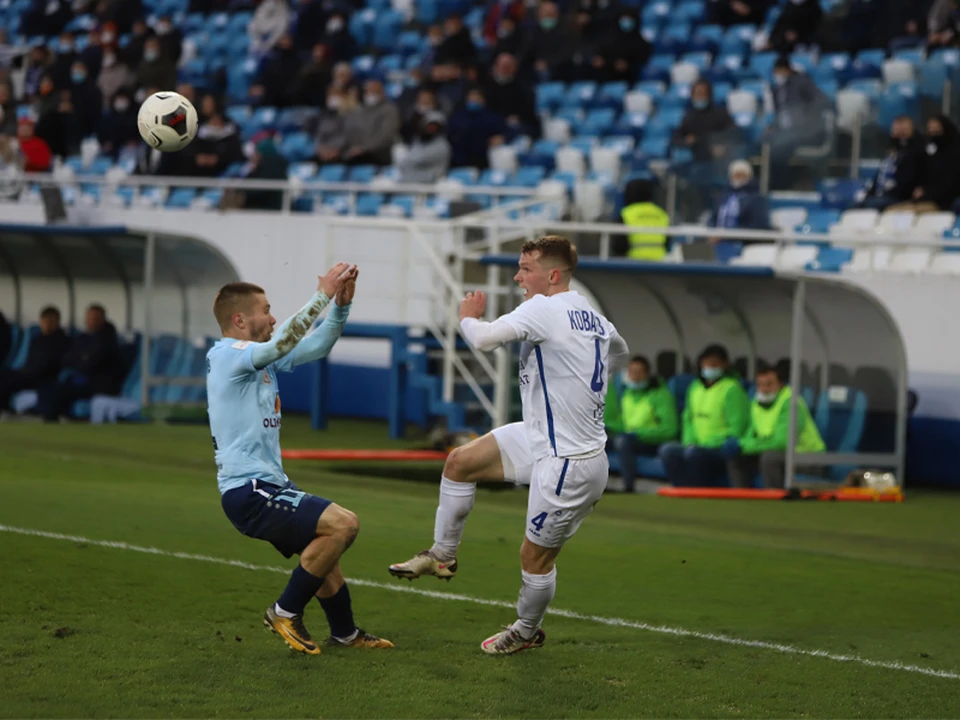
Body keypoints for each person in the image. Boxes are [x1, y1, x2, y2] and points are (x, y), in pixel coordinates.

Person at [389, 236, 630, 655]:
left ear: (552, 275)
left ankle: (525, 630)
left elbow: (483, 340)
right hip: (540, 435)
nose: (518, 276)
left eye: (525, 268)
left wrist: (467, 317)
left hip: (570, 463)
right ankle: (442, 555)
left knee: (534, 559)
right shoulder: (593, 316)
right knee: (460, 462)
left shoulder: (544, 307)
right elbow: (619, 353)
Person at [209, 265, 393, 654]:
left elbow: (316, 345)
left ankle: (344, 634)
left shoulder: (259, 360)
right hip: (249, 489)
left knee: (324, 550)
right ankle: (284, 610)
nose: (273, 317)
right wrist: (321, 295)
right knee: (344, 525)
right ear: (240, 319)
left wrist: (340, 307)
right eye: (266, 309)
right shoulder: (227, 355)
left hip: (269, 483)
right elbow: (281, 342)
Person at [659, 344, 750, 487]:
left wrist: (710, 444)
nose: (709, 367)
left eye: (714, 364)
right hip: (695, 445)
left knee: (695, 454)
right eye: (706, 363)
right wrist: (689, 442)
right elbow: (688, 419)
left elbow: (738, 427)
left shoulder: (732, 389)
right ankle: (681, 489)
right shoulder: (695, 387)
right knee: (668, 450)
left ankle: (697, 491)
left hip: (720, 449)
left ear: (724, 365)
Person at [723, 364, 824, 488]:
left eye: (769, 384)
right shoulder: (756, 403)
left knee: (769, 457)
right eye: (760, 385)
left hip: (808, 459)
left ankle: (775, 500)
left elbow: (782, 443)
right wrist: (741, 444)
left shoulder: (791, 404)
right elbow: (751, 435)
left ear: (781, 384)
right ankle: (741, 499)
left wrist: (743, 445)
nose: (764, 389)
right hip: (780, 456)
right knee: (736, 456)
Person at [605, 355, 678, 493]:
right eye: (632, 372)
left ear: (648, 374)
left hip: (651, 442)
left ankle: (628, 486)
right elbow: (625, 424)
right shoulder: (628, 395)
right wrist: (608, 427)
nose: (635, 376)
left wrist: (638, 434)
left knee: (622, 442)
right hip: (631, 438)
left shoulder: (661, 395)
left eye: (639, 372)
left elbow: (669, 430)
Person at [45, 304, 124, 422]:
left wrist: (83, 359)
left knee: (61, 390)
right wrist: (82, 358)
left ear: (103, 319)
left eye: (95, 319)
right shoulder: (83, 337)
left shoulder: (107, 340)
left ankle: (51, 421)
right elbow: (66, 359)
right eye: (90, 318)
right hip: (85, 381)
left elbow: (91, 364)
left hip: (101, 386)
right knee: (52, 387)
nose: (92, 322)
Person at [767, 57, 830, 190]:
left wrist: (806, 120)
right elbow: (780, 115)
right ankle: (763, 183)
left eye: (780, 71)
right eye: (776, 71)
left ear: (787, 70)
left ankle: (779, 186)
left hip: (806, 131)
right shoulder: (776, 89)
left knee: (781, 147)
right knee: (763, 141)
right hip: (784, 131)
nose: (778, 74)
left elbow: (822, 101)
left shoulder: (801, 82)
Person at [0, 306, 70, 416]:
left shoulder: (62, 341)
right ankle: (5, 408)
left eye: (51, 321)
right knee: (5, 377)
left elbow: (52, 364)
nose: (47, 324)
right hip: (28, 374)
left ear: (57, 321)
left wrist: (29, 373)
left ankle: (7, 410)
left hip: (45, 377)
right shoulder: (37, 339)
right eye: (45, 321)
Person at [896, 115, 960, 212]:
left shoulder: (954, 153)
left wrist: (926, 193)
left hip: (942, 203)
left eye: (936, 129)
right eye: (930, 129)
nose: (933, 132)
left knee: (902, 213)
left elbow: (950, 186)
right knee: (892, 211)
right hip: (924, 199)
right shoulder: (930, 152)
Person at [860, 116, 925, 211]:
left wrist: (887, 193)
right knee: (856, 204)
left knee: (872, 203)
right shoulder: (891, 154)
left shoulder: (915, 153)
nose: (899, 134)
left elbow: (907, 183)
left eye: (903, 131)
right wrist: (868, 194)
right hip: (881, 195)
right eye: (896, 130)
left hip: (898, 197)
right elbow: (878, 178)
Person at [674, 80, 737, 164]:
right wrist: (686, 141)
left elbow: (733, 133)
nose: (699, 97)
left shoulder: (720, 114)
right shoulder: (689, 117)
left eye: (702, 94)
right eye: (697, 94)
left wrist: (724, 145)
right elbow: (677, 138)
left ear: (709, 95)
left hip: (719, 161)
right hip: (697, 159)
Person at [708, 160, 771, 242]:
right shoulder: (723, 197)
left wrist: (727, 234)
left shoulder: (757, 199)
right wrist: (711, 232)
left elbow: (758, 225)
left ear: (750, 177)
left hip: (742, 242)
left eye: (743, 175)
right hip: (717, 241)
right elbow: (713, 218)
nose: (739, 179)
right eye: (736, 175)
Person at [342, 78, 398, 166]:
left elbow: (386, 136)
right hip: (357, 152)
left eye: (375, 92)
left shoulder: (389, 110)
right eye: (368, 91)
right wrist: (353, 148)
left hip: (379, 153)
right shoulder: (359, 110)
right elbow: (351, 132)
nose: (370, 95)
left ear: (382, 93)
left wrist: (364, 148)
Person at [483, 53, 539, 140]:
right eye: (503, 67)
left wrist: (518, 117)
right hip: (493, 124)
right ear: (495, 67)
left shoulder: (523, 87)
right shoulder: (486, 87)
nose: (505, 70)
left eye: (508, 67)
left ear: (514, 68)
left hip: (518, 125)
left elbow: (529, 112)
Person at [447, 86, 506, 169]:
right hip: (460, 161)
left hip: (485, 160)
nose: (474, 100)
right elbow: (450, 135)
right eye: (471, 97)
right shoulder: (457, 117)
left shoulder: (492, 117)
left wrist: (501, 138)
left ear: (483, 100)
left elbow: (503, 132)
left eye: (477, 98)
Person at [617, 177, 669, 260]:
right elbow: (668, 244)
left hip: (633, 266)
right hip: (659, 266)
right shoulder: (662, 214)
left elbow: (618, 247)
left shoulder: (626, 214)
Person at [397, 112, 450, 183]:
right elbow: (406, 162)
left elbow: (417, 159)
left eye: (434, 126)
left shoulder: (442, 145)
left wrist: (406, 159)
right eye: (429, 125)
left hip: (429, 184)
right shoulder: (418, 140)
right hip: (408, 180)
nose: (431, 128)